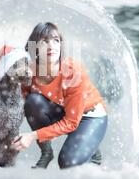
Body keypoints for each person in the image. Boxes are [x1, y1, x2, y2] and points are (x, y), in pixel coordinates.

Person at [11, 22, 109, 169]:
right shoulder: (30, 71)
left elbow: (71, 122)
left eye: (56, 40)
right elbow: (22, 102)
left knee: (67, 163)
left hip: (90, 116)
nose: (51, 46)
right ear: (34, 47)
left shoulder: (73, 72)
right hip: (64, 110)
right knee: (32, 102)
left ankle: (90, 147)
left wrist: (32, 136)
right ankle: (46, 152)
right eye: (44, 41)